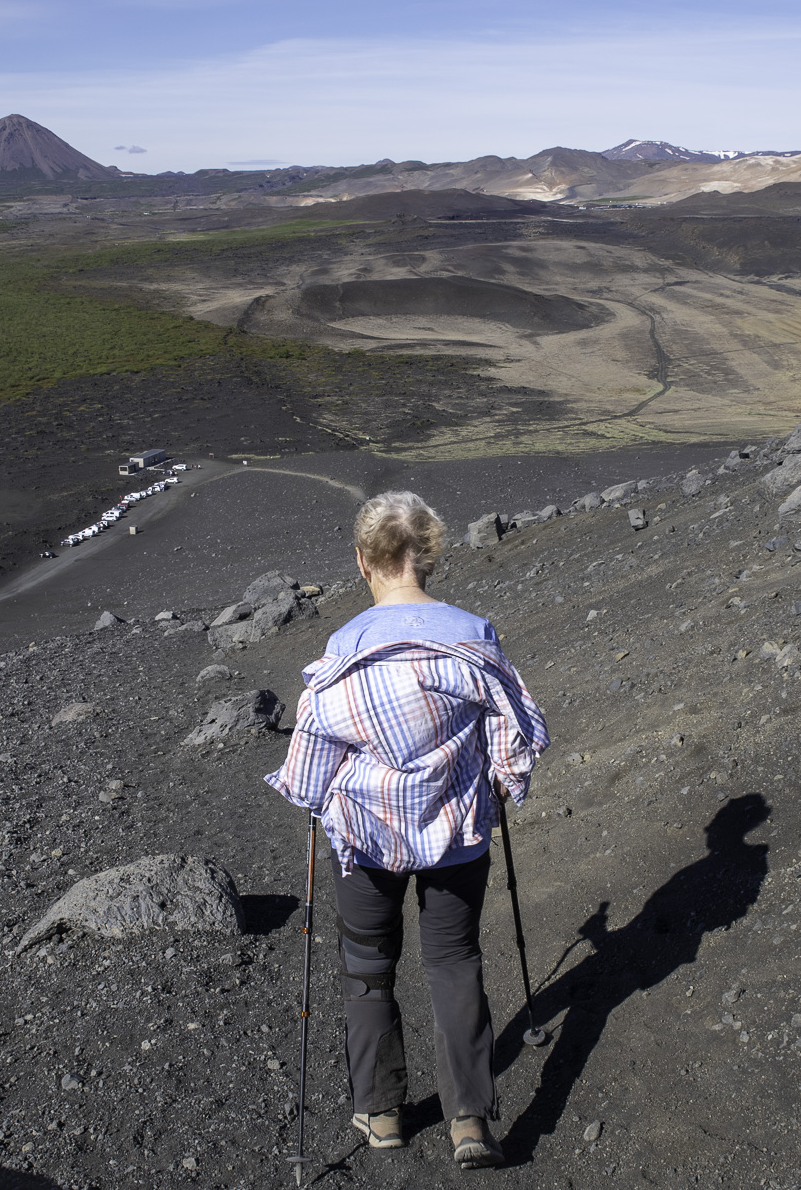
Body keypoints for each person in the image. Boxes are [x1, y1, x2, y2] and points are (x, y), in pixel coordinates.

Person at [265, 490, 547, 1170]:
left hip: (366, 841)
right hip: (458, 833)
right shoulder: (473, 635)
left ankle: (383, 1113)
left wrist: (314, 796)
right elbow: (514, 734)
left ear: (365, 563)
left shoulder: (342, 652)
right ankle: (470, 1122)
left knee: (368, 970)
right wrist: (502, 780)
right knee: (455, 963)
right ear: (429, 555)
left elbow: (309, 770)